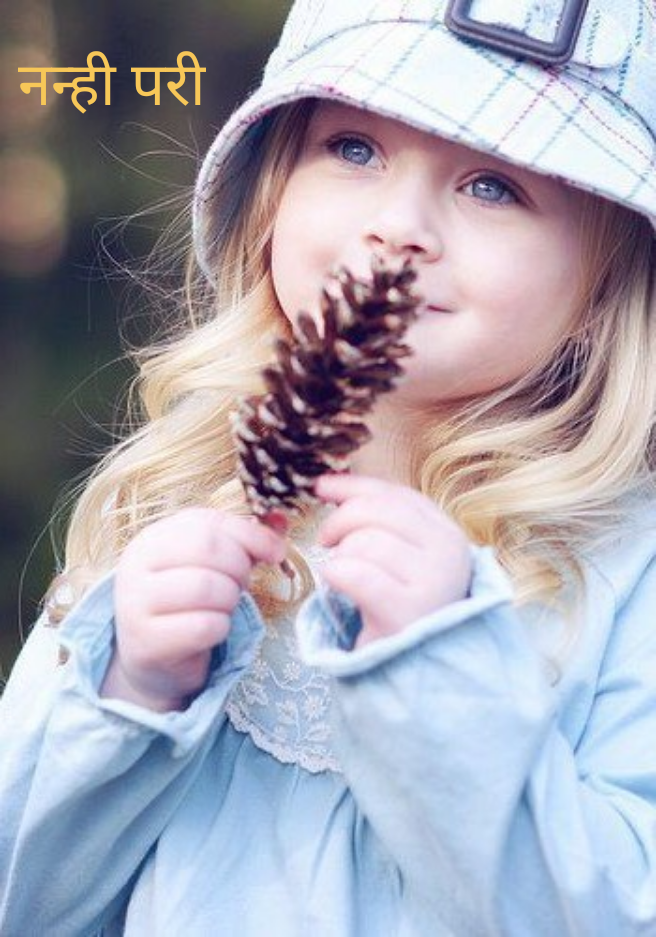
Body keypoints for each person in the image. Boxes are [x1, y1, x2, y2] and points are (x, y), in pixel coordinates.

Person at [1, 0, 656, 933]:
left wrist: (445, 676)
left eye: (492, 185)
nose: (400, 227)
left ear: (611, 275)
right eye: (354, 147)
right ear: (271, 192)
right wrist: (131, 693)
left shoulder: (627, 574)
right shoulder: (167, 503)